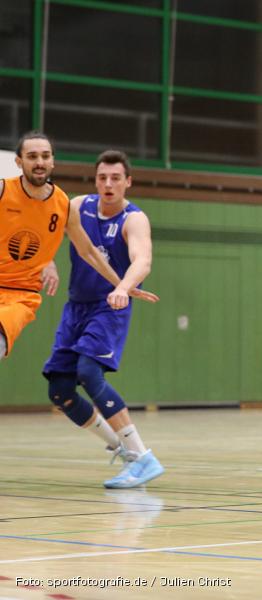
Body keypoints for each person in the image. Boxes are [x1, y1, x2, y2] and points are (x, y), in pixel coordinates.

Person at [43, 150, 164, 489]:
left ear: (128, 182)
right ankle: (126, 451)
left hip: (109, 305)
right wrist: (47, 260)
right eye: (102, 178)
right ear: (95, 180)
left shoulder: (133, 219)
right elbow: (46, 230)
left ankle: (143, 457)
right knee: (60, 391)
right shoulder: (78, 205)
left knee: (88, 371)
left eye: (115, 178)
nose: (108, 184)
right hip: (75, 306)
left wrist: (124, 287)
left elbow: (143, 261)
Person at [0, 132, 157, 364]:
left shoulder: (63, 204)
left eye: (45, 156)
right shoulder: (4, 190)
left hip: (19, 295)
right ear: (19, 162)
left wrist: (121, 285)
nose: (40, 162)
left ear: (53, 161)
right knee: (60, 385)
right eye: (32, 156)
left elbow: (88, 251)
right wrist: (49, 261)